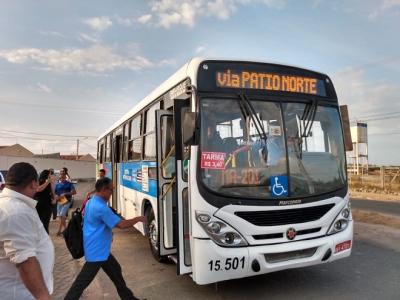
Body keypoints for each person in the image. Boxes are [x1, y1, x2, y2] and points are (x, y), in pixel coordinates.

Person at [64, 177, 146, 300]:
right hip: (97, 252)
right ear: (103, 190)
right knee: (81, 284)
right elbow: (121, 225)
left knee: (116, 271)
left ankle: (129, 298)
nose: (111, 193)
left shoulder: (91, 201)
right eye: (110, 190)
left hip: (100, 250)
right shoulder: (101, 207)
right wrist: (138, 219)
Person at [0, 162, 54, 300]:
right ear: (33, 184)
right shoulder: (16, 211)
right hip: (23, 295)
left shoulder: (10, 205)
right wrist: (44, 297)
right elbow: (25, 261)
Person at [55, 168, 76, 236]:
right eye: (61, 171)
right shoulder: (57, 183)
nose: (62, 172)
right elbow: (55, 192)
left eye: (63, 171)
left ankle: (59, 230)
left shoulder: (69, 183)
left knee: (61, 215)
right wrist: (55, 196)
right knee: (61, 216)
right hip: (60, 200)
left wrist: (66, 193)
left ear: (65, 173)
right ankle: (66, 230)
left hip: (67, 201)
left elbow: (74, 192)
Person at [34, 170, 56, 234]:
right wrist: (48, 182)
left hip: (47, 206)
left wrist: (54, 198)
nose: (51, 175)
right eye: (50, 174)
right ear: (46, 175)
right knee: (38, 223)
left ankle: (46, 238)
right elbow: (38, 189)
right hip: (38, 205)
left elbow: (52, 192)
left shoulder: (49, 182)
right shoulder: (39, 181)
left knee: (45, 224)